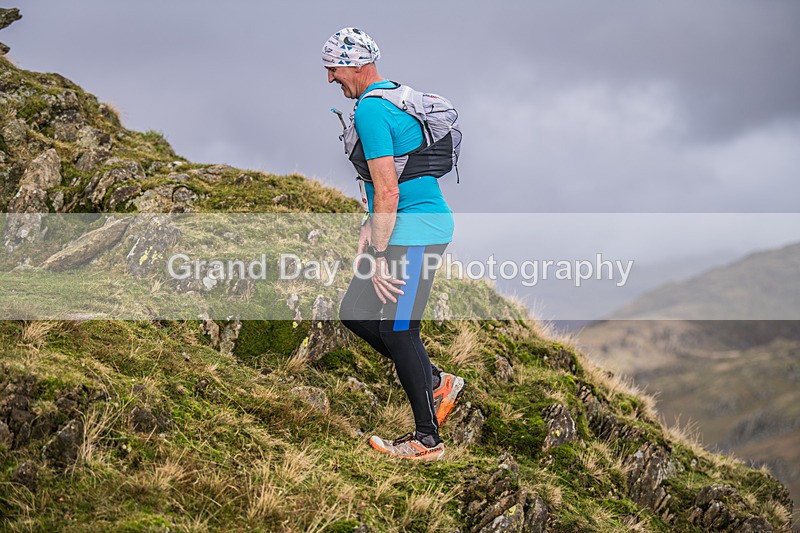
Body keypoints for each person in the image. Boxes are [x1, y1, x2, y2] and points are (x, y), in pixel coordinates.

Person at [323, 27, 466, 460]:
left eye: (333, 67)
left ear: (355, 63)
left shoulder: (371, 109)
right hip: (398, 228)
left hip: (418, 232)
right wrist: (371, 227)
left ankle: (427, 440)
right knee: (355, 312)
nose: (330, 78)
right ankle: (437, 380)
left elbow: (389, 190)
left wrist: (381, 257)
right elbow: (389, 179)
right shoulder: (392, 96)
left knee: (400, 328)